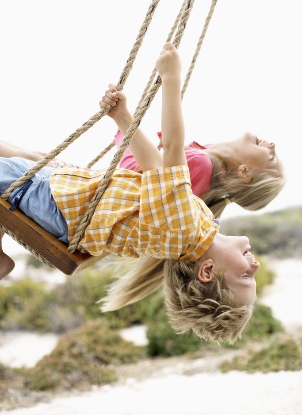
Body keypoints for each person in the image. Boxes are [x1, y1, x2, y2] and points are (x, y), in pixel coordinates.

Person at [1, 43, 263, 343]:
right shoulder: (199, 225)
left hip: (55, 202)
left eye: (246, 276)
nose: (255, 265)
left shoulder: (184, 231)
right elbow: (155, 168)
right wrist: (122, 117)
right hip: (66, 196)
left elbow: (174, 149)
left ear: (207, 271)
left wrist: (172, 78)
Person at [114, 130, 285, 218]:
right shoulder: (209, 160)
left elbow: (132, 171)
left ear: (245, 171)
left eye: (271, 158)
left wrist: (126, 129)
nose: (272, 144)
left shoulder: (202, 165)